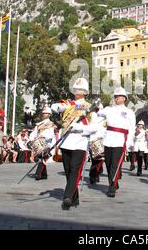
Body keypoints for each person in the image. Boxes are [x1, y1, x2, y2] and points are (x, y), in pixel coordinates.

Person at [51, 78, 97, 210]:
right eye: (76, 89)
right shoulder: (68, 103)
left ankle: (67, 197)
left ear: (85, 92)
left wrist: (79, 128)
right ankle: (74, 197)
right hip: (66, 141)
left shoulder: (89, 106)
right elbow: (57, 107)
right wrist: (57, 108)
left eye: (81, 89)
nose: (78, 91)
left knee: (74, 170)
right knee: (67, 171)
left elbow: (94, 127)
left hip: (80, 142)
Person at [97, 87, 136, 198]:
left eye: (118, 96)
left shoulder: (129, 112)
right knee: (108, 164)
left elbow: (132, 129)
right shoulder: (109, 109)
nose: (116, 98)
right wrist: (97, 105)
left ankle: (112, 187)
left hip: (120, 140)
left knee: (115, 164)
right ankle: (114, 182)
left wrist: (129, 143)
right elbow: (99, 113)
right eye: (115, 96)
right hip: (108, 139)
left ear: (124, 98)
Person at [29, 107, 57, 181]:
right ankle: (44, 174)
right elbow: (33, 132)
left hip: (47, 143)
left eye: (45, 113)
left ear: (49, 115)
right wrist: (32, 139)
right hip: (38, 143)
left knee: (42, 158)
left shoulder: (51, 124)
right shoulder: (39, 124)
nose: (43, 114)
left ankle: (38, 174)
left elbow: (51, 134)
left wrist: (42, 136)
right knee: (42, 158)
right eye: (43, 113)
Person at [88, 104, 106, 185]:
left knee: (99, 160)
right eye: (97, 109)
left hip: (102, 141)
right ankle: (93, 175)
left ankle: (96, 174)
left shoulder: (106, 119)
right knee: (94, 160)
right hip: (92, 140)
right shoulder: (91, 116)